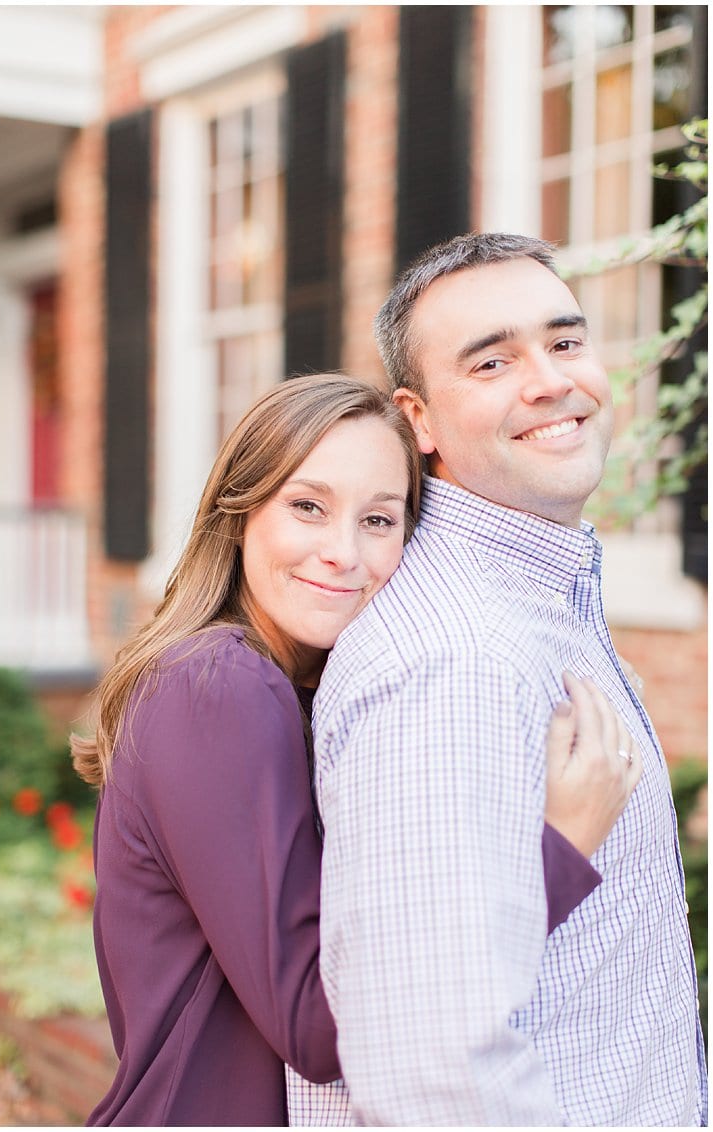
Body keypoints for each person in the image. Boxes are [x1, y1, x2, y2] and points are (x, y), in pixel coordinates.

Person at [75, 374, 639, 1126]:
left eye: (379, 520)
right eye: (307, 507)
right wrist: (559, 848)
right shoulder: (217, 686)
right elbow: (320, 1023)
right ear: (238, 513)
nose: (342, 553)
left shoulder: (299, 689)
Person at [288, 234, 706, 1124]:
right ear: (420, 420)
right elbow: (435, 1071)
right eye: (490, 361)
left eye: (563, 342)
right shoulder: (452, 661)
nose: (550, 380)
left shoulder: (532, 606)